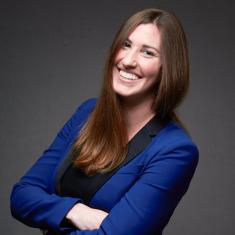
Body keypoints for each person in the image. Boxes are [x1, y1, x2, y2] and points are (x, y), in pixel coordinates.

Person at [10, 8, 199, 235]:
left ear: (168, 68)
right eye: (126, 45)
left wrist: (52, 215)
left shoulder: (175, 150)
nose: (128, 60)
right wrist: (77, 212)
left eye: (147, 53)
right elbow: (22, 195)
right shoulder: (87, 113)